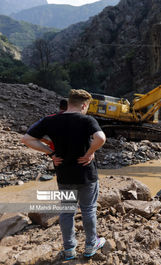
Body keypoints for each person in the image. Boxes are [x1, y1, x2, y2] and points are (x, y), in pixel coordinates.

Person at [21, 89, 106, 260]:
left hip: (64, 173)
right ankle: (90, 245)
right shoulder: (87, 119)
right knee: (88, 209)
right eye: (87, 106)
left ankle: (69, 249)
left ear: (68, 103)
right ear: (83, 105)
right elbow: (101, 138)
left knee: (67, 211)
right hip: (86, 174)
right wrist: (90, 152)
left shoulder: (50, 120)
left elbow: (27, 139)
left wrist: (50, 154)